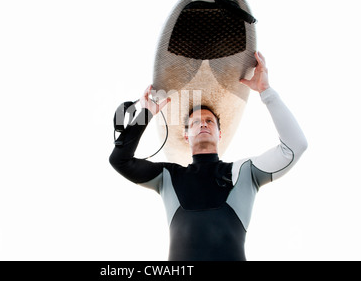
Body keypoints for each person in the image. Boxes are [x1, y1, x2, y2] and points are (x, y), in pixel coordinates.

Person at [109, 52, 308, 261]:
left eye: (209, 121)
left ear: (220, 134)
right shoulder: (168, 176)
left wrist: (266, 92)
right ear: (186, 136)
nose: (203, 123)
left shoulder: (244, 173)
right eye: (195, 122)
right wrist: (146, 113)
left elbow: (296, 145)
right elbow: (119, 160)